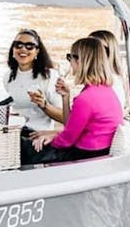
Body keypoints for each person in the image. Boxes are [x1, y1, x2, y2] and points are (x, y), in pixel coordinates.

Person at [21, 37, 123, 165]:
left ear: (81, 61)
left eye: (70, 57)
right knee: (27, 132)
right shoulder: (106, 90)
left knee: (20, 146)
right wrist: (65, 97)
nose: (70, 62)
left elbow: (66, 141)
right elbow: (70, 127)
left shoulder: (86, 98)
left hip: (84, 154)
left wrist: (49, 139)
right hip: (97, 151)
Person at [4, 29, 64, 129]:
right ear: (13, 50)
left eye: (29, 46)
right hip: (15, 133)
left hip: (39, 135)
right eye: (18, 45)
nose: (23, 49)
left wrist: (44, 105)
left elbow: (65, 117)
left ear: (37, 51)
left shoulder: (50, 76)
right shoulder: (8, 77)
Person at [88, 28, 129, 116]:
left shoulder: (110, 82)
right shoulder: (96, 80)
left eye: (97, 48)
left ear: (110, 52)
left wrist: (49, 108)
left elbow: (76, 119)